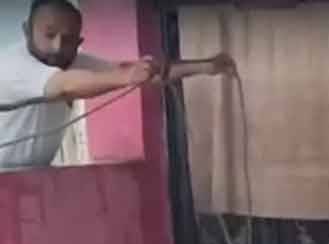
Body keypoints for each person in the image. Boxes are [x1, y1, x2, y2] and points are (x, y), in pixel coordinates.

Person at [0, 0, 235, 170]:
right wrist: (127, 78)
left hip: (34, 174)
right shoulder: (13, 65)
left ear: (79, 41)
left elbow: (138, 73)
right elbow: (64, 86)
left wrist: (207, 67)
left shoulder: (72, 60)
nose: (58, 47)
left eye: (69, 39)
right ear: (26, 31)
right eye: (49, 35)